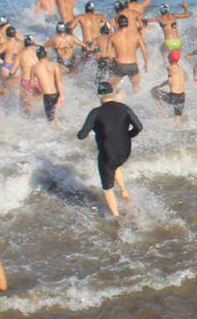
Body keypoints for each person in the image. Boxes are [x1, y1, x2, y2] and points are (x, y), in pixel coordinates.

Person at [77, 83, 143, 216]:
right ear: (111, 93)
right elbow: (139, 127)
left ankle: (117, 218)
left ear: (99, 95)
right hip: (125, 151)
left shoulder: (96, 112)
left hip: (108, 154)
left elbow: (82, 135)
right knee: (116, 165)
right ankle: (124, 191)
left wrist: (90, 128)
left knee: (108, 189)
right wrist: (127, 135)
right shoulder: (124, 107)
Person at [106, 14, 150, 92]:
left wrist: (111, 64)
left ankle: (120, 94)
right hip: (133, 65)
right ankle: (135, 101)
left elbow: (108, 55)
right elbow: (144, 50)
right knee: (136, 88)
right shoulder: (136, 36)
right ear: (128, 24)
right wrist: (146, 63)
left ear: (117, 24)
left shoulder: (113, 37)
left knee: (112, 86)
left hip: (120, 65)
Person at [151, 49, 188, 125]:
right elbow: (171, 79)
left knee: (153, 91)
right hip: (182, 96)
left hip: (173, 96)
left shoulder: (170, 68)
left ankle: (163, 113)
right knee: (178, 119)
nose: (167, 57)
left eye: (168, 56)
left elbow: (170, 76)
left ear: (170, 58)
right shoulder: (181, 70)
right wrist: (160, 86)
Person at [32, 47, 65, 120]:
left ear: (37, 56)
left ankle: (54, 131)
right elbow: (59, 80)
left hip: (47, 96)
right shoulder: (54, 65)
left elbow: (32, 84)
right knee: (58, 117)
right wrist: (61, 96)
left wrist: (37, 92)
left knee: (50, 119)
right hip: (56, 93)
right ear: (46, 55)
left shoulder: (34, 67)